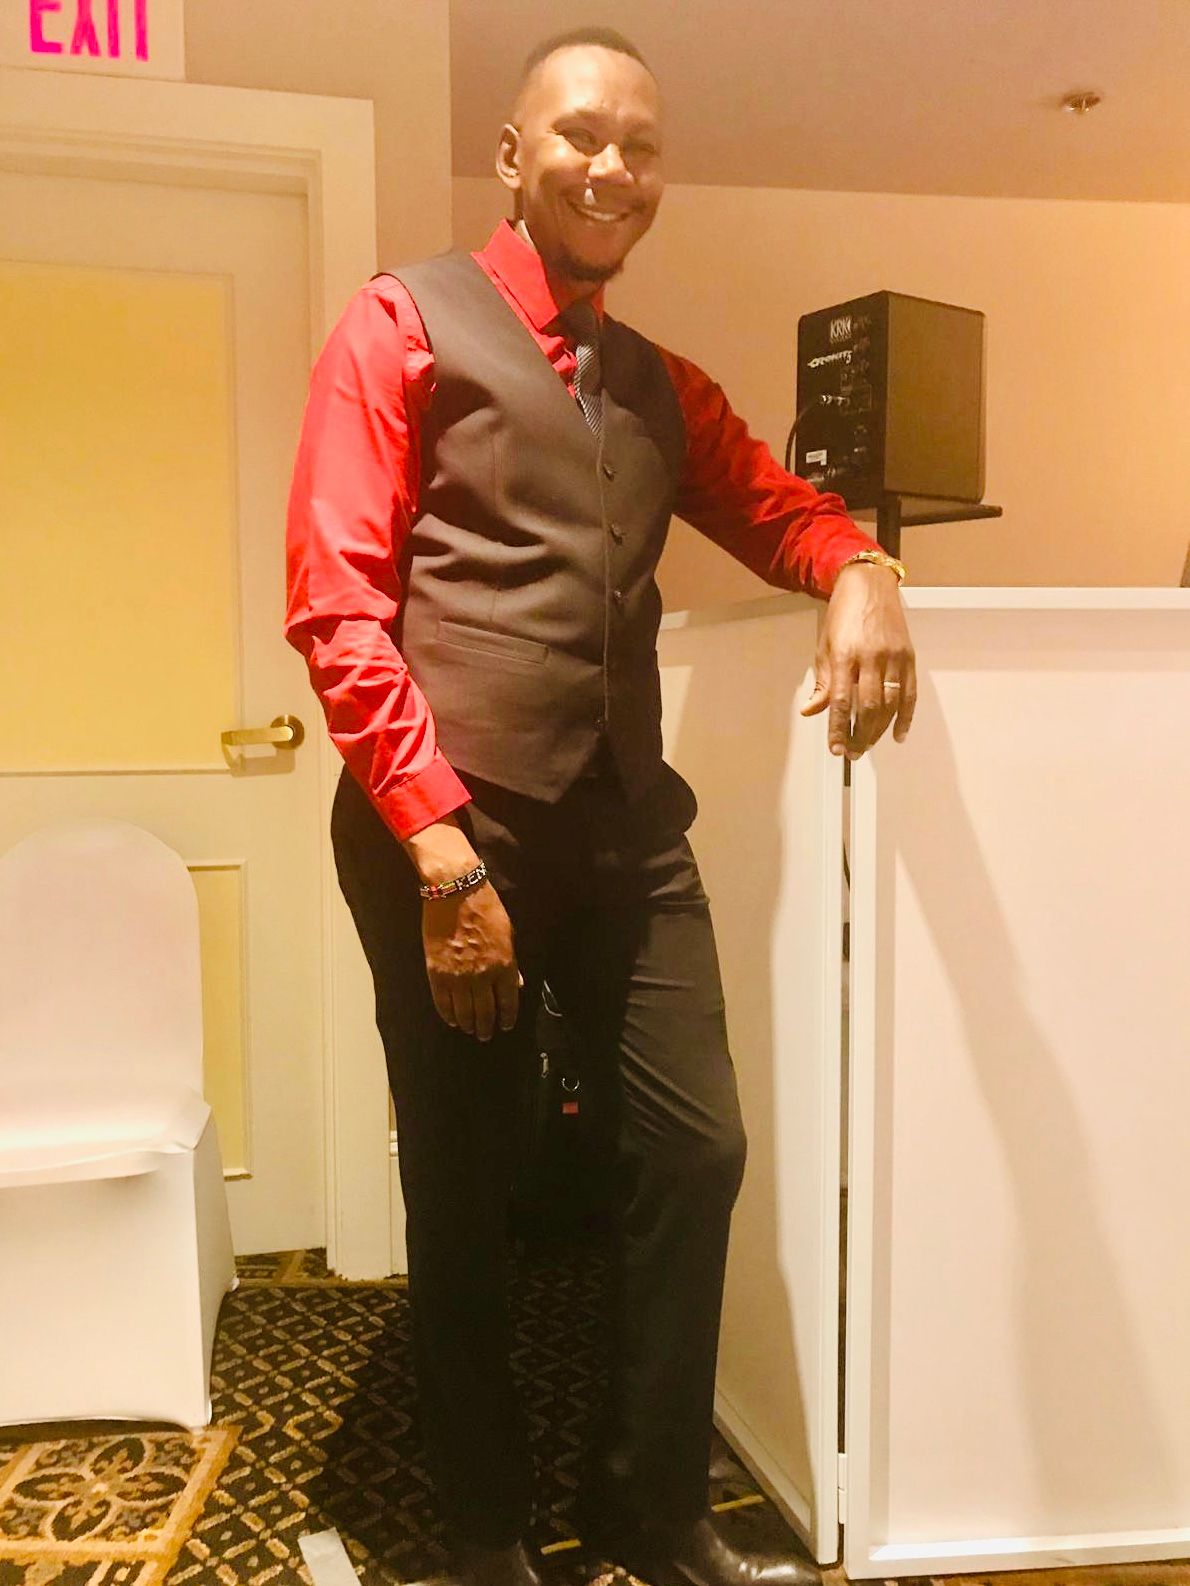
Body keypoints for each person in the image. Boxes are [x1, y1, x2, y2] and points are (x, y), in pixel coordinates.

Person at [285, 25, 915, 1586]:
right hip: (450, 830)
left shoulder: (657, 386)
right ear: (513, 156)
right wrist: (442, 855)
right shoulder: (399, 322)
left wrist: (862, 568)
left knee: (695, 1151)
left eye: (639, 144)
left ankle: (648, 1501)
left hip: (625, 826)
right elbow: (337, 605)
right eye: (578, 134)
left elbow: (778, 508)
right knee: (470, 1173)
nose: (611, 165)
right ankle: (482, 1519)